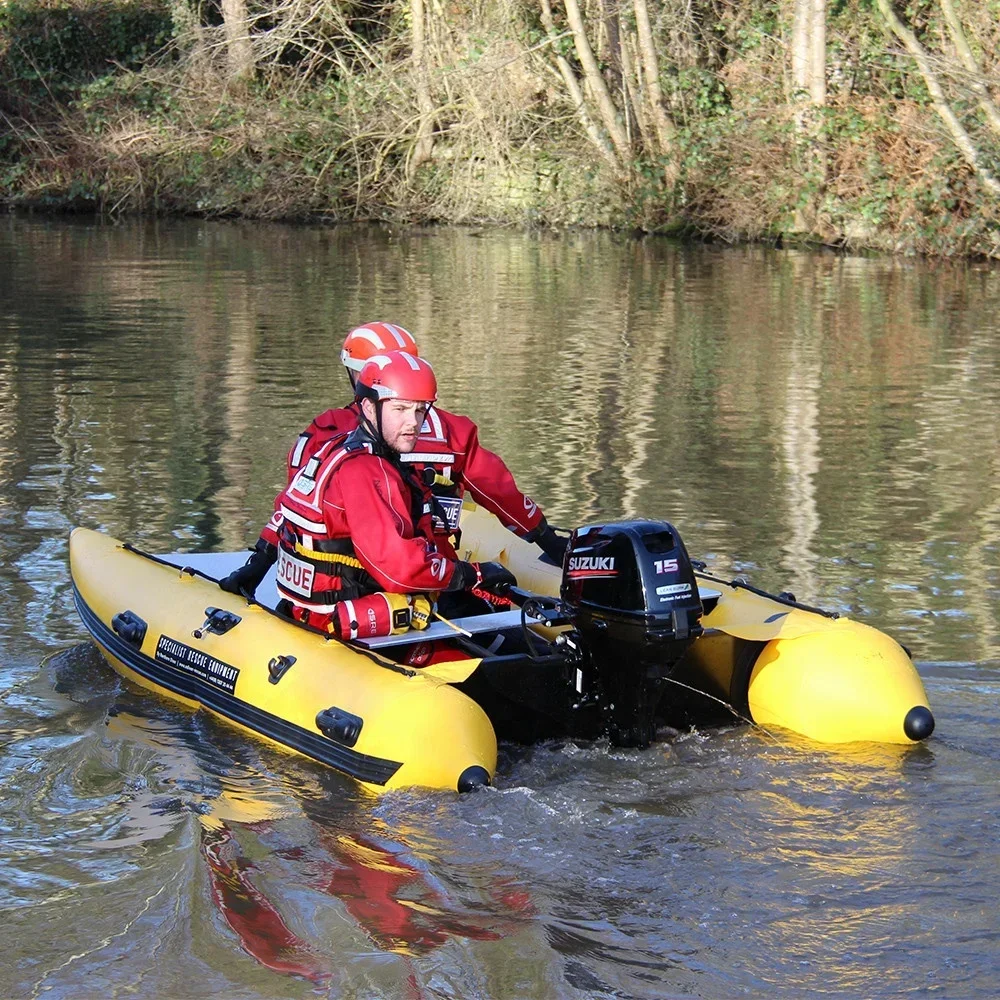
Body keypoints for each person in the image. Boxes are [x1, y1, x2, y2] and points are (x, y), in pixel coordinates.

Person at [221, 322, 566, 600]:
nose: (410, 422)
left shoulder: (329, 433)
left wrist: (257, 564)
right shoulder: (454, 431)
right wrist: (550, 542)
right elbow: (500, 491)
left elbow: (297, 507)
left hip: (375, 582)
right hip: (432, 571)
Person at [227, 351, 516, 635]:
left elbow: (285, 512)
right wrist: (474, 574)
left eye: (419, 410)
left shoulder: (334, 448)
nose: (413, 422)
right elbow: (399, 568)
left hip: (310, 611)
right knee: (515, 647)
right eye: (400, 409)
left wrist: (256, 565)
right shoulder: (366, 471)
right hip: (347, 623)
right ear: (367, 407)